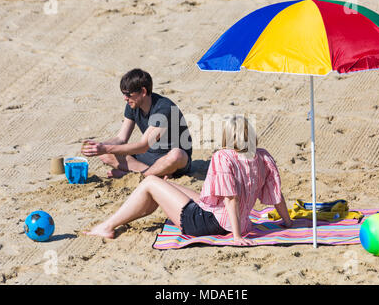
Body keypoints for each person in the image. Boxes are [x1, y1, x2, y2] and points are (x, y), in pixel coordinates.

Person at [83, 115, 292, 246]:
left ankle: (108, 225)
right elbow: (276, 195)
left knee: (149, 183)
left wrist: (236, 237)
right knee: (164, 184)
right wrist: (288, 222)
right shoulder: (263, 156)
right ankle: (123, 219)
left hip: (207, 223)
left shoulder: (223, 156)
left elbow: (231, 199)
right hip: (238, 221)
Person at [81, 68, 192, 179]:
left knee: (176, 155)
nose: (125, 98)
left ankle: (138, 176)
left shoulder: (164, 108)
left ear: (143, 92)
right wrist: (100, 146)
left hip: (171, 158)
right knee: (105, 154)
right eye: (123, 94)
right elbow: (121, 138)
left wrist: (106, 148)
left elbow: (143, 146)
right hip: (147, 158)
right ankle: (156, 174)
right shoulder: (133, 104)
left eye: (128, 94)